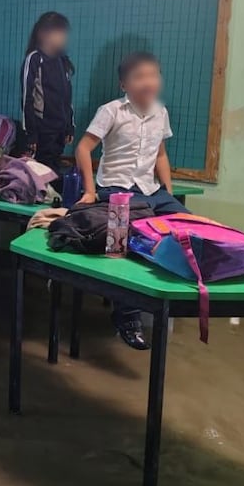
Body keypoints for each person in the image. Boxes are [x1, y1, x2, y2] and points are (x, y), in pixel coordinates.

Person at [73, 51, 188, 350]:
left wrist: (168, 192)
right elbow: (84, 149)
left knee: (187, 226)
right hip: (116, 189)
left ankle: (167, 301)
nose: (148, 82)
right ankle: (126, 316)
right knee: (119, 245)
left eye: (154, 75)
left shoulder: (160, 111)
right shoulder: (111, 111)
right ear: (124, 84)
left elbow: (160, 153)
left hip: (150, 189)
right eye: (139, 76)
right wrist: (89, 190)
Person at [21, 12, 75, 179]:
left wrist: (69, 126)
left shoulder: (62, 61)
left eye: (64, 33)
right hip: (41, 128)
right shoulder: (34, 59)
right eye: (58, 32)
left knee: (54, 170)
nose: (62, 37)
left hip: (59, 128)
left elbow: (67, 97)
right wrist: (31, 134)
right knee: (41, 172)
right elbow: (26, 97)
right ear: (43, 34)